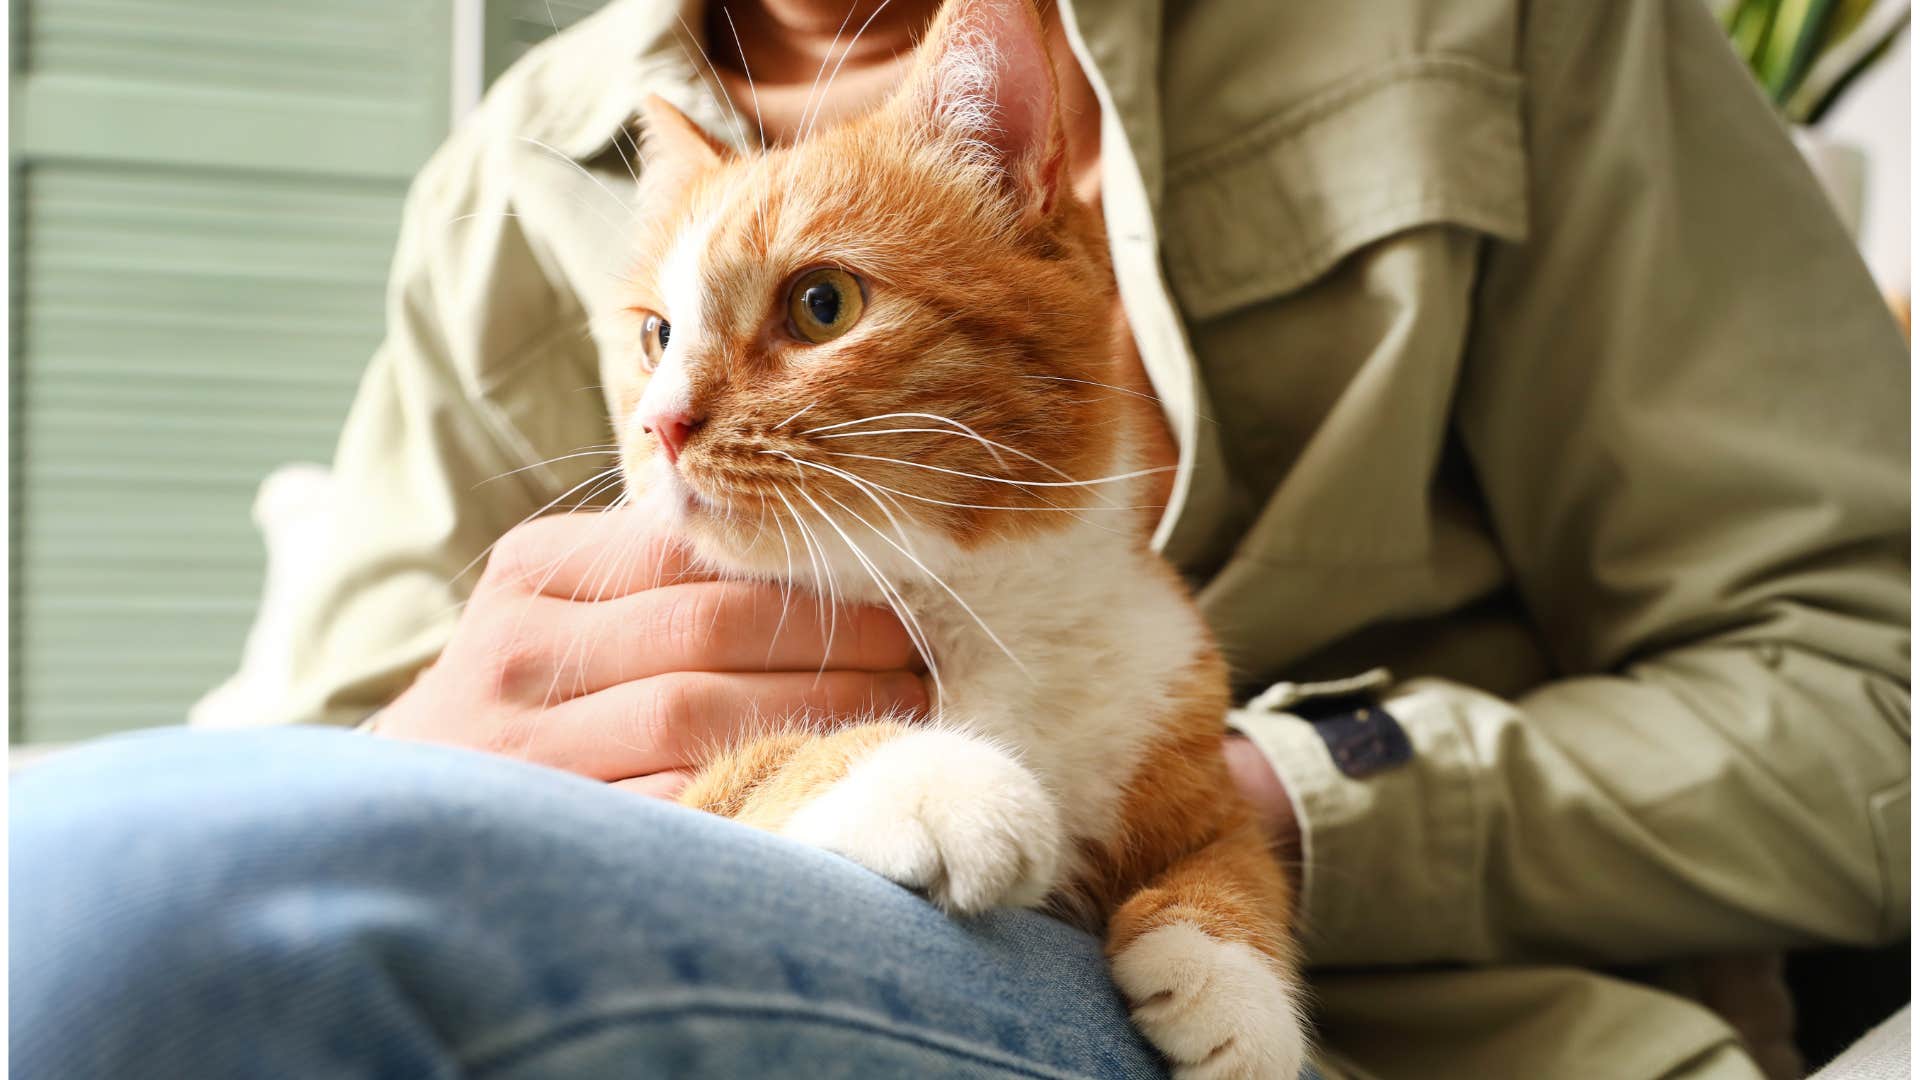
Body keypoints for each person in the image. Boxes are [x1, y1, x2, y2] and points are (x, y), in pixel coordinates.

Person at [11, 1, 1908, 1077]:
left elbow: (1876, 684)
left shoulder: (1487, 20)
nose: (672, 397)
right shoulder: (520, 169)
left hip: (1400, 1034)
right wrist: (441, 744)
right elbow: (286, 777)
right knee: (100, 896)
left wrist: (1247, 802)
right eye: (658, 342)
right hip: (745, 936)